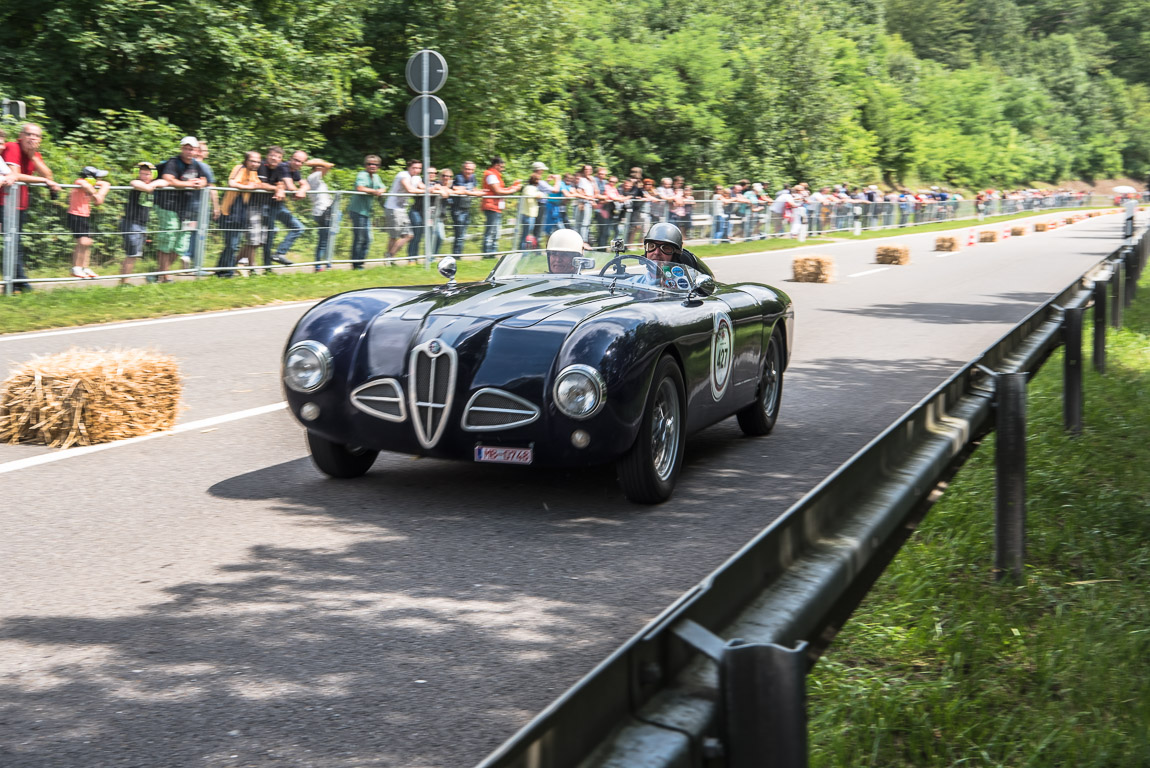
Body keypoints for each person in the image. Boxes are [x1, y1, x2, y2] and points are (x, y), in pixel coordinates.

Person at [3, 123, 62, 291]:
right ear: (21, 135)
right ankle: (21, 284)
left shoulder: (34, 154)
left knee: (16, 244)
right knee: (12, 243)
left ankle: (16, 285)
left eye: (36, 136)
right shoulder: (12, 147)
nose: (32, 138)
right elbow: (14, 174)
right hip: (5, 202)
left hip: (19, 204)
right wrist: (44, 181)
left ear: (40, 139)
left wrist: (33, 157)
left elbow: (48, 174)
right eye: (28, 134)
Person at [155, 137, 209, 280]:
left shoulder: (196, 165)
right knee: (168, 238)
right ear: (181, 148)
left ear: (196, 150)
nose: (189, 151)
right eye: (186, 148)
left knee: (181, 245)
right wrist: (188, 184)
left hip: (186, 208)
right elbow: (168, 179)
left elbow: (204, 180)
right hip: (167, 205)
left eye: (191, 149)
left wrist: (199, 183)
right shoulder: (173, 162)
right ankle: (164, 275)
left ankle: (160, 272)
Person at [218, 151, 276, 277]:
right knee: (232, 245)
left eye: (258, 161)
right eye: (252, 161)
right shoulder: (240, 168)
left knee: (232, 244)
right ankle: (226, 272)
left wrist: (276, 188)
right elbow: (232, 183)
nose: (255, 164)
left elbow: (258, 184)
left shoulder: (253, 173)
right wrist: (249, 187)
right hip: (230, 211)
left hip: (240, 213)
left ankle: (221, 270)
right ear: (246, 160)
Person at [120, 162, 167, 282]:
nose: (144, 176)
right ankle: (123, 282)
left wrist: (154, 183)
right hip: (131, 223)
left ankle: (124, 281)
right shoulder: (136, 183)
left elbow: (165, 182)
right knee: (132, 254)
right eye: (142, 173)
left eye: (147, 174)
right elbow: (138, 185)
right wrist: (151, 186)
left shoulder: (152, 183)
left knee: (135, 255)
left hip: (142, 224)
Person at [181, 139, 220, 269]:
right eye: (205, 150)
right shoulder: (204, 167)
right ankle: (196, 264)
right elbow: (212, 188)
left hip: (186, 206)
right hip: (200, 207)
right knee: (200, 234)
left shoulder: (188, 166)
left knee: (189, 232)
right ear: (200, 152)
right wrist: (216, 207)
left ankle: (186, 256)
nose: (207, 152)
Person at [66, 166, 111, 279]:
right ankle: (76, 267)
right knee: (83, 242)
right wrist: (95, 195)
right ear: (90, 178)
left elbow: (106, 184)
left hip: (84, 215)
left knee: (88, 242)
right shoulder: (80, 181)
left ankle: (84, 267)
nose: (98, 180)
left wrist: (100, 196)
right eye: (96, 178)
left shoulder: (91, 184)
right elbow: (85, 185)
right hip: (75, 215)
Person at [256, 146, 292, 267]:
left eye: (278, 157)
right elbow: (261, 185)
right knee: (262, 238)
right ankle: (262, 265)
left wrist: (280, 188)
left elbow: (282, 183)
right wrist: (277, 188)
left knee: (269, 236)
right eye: (272, 155)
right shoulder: (260, 165)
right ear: (267, 156)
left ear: (281, 159)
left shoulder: (280, 168)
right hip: (258, 206)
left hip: (274, 206)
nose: (274, 158)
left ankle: (267, 265)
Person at [480, 156, 521, 257]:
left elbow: (501, 190)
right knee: (491, 231)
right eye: (502, 166)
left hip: (496, 206)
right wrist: (514, 190)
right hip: (491, 206)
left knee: (495, 231)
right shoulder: (491, 175)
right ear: (496, 165)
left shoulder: (495, 175)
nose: (503, 168)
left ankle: (492, 253)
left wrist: (512, 187)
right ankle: (487, 253)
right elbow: (498, 191)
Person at [349, 155, 385, 269]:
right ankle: (356, 264)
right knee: (359, 238)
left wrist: (380, 190)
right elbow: (360, 188)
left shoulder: (376, 177)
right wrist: (375, 191)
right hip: (358, 211)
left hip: (366, 212)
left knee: (368, 239)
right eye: (369, 164)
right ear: (365, 165)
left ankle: (361, 262)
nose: (372, 166)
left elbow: (383, 187)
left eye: (375, 164)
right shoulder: (362, 175)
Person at [385, 159, 420, 262]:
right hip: (393, 208)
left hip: (402, 209)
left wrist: (437, 188)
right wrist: (428, 190)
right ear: (409, 167)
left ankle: (389, 256)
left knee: (409, 235)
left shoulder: (417, 178)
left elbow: (424, 187)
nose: (417, 170)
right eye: (414, 168)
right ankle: (389, 258)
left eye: (419, 168)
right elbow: (410, 189)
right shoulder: (403, 175)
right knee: (394, 236)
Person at [306, 157, 337, 270]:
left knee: (327, 239)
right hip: (323, 212)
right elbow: (329, 166)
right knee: (324, 240)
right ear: (317, 168)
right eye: (321, 167)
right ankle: (320, 265)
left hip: (325, 211)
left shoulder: (317, 179)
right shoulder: (313, 177)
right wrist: (322, 163)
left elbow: (328, 168)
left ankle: (325, 264)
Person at [450, 160, 482, 254]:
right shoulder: (459, 177)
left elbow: (474, 189)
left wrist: (478, 191)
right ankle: (457, 255)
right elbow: (462, 190)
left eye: (471, 169)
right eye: (467, 169)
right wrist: (474, 193)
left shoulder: (473, 177)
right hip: (457, 209)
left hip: (466, 208)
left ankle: (458, 254)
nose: (469, 171)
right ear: (462, 169)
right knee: (459, 234)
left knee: (462, 234)